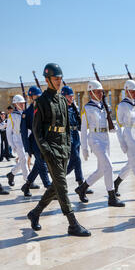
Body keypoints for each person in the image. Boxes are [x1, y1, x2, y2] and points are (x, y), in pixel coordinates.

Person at [27, 63, 90, 237]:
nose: (58, 82)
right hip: (51, 148)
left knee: (56, 185)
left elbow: (68, 127)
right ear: (47, 79)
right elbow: (37, 130)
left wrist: (68, 146)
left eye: (60, 79)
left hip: (63, 146)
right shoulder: (41, 101)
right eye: (55, 79)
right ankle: (72, 223)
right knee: (62, 185)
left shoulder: (63, 100)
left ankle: (35, 213)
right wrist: (46, 150)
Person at [74, 80, 124, 207]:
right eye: (98, 92)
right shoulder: (87, 108)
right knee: (109, 166)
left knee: (102, 170)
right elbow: (84, 129)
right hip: (94, 140)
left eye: (102, 92)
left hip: (105, 139)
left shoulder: (103, 106)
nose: (101, 94)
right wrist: (84, 148)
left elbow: (107, 123)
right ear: (91, 93)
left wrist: (112, 127)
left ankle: (82, 188)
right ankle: (111, 197)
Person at [20, 86, 50, 197]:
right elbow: (24, 132)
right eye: (35, 96)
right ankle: (49, 187)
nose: (37, 98)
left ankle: (27, 185)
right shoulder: (27, 113)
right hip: (35, 142)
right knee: (42, 164)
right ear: (31, 97)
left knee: (38, 164)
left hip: (44, 141)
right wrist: (27, 148)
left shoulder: (44, 109)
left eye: (39, 96)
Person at [61, 86, 92, 195]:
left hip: (76, 135)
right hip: (68, 136)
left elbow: (78, 123)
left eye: (72, 96)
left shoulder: (74, 107)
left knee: (74, 162)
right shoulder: (62, 109)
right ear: (64, 97)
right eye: (69, 96)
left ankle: (57, 182)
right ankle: (81, 186)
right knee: (77, 160)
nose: (72, 98)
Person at [5, 95, 30, 187]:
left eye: (23, 103)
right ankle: (28, 180)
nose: (22, 104)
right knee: (23, 158)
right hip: (17, 138)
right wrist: (11, 144)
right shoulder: (12, 115)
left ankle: (11, 174)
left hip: (26, 138)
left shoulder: (26, 113)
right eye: (20, 103)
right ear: (15, 104)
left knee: (24, 159)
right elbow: (8, 131)